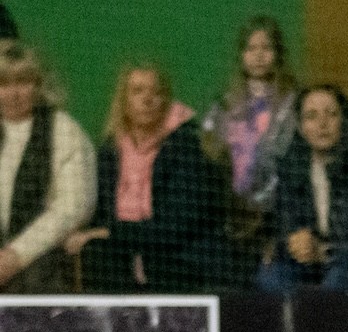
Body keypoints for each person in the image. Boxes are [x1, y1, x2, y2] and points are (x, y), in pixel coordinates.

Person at [66, 64, 227, 292]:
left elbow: (175, 227)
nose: (147, 100)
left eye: (156, 92)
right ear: (124, 101)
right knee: (96, 253)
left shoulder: (188, 146)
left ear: (166, 100)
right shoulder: (110, 151)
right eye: (137, 91)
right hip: (123, 259)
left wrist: (112, 232)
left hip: (177, 260)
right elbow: (100, 214)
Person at [258, 85, 348, 292]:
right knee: (271, 277)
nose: (322, 124)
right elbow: (283, 225)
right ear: (301, 128)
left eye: (331, 114)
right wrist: (295, 242)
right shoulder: (292, 166)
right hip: (311, 261)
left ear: (344, 120)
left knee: (336, 282)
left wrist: (328, 251)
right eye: (311, 116)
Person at [201, 16, 299, 277]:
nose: (259, 56)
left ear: (278, 53)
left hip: (277, 216)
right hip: (232, 214)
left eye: (266, 48)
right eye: (251, 48)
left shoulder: (294, 102)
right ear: (241, 55)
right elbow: (211, 153)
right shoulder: (225, 103)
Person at [0, 41, 96, 293]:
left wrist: (16, 255)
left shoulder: (64, 130)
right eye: (3, 84)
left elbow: (74, 205)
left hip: (44, 269)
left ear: (39, 85)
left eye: (23, 82)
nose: (13, 93)